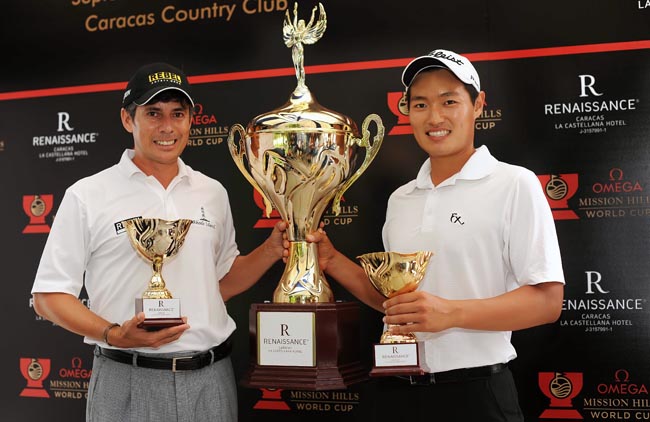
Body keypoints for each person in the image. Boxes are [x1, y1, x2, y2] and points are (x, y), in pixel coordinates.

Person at [307, 49, 565, 421]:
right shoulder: (401, 199)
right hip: (398, 391)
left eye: (449, 101)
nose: (435, 117)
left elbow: (547, 302)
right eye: (421, 104)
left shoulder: (514, 183)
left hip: (476, 395)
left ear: (478, 105)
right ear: (406, 111)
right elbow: (394, 304)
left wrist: (450, 313)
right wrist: (330, 259)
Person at [31, 62, 286, 422]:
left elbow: (220, 284)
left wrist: (272, 250)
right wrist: (114, 334)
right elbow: (48, 297)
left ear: (190, 120)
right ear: (127, 119)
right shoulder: (87, 194)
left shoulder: (212, 192)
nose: (167, 127)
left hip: (211, 379)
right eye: (153, 113)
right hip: (128, 377)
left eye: (177, 114)